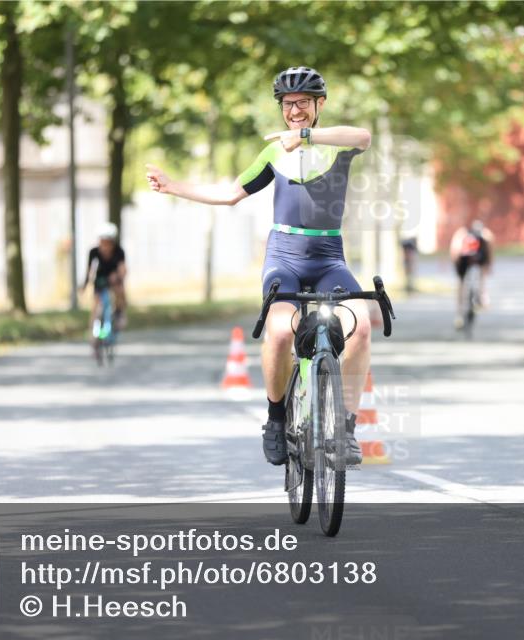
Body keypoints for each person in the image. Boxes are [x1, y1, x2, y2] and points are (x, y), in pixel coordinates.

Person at [146, 66, 372, 466]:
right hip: (284, 255)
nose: (295, 111)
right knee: (282, 332)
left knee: (362, 325)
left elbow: (363, 137)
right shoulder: (272, 154)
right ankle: (275, 418)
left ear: (320, 105)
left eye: (303, 103)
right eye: (288, 105)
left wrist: (304, 136)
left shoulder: (334, 144)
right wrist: (174, 186)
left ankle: (346, 429)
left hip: (329, 257)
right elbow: (231, 193)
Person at [449, 219, 494, 328]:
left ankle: (459, 314)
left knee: (461, 283)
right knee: (481, 276)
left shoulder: (461, 234)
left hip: (463, 260)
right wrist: (489, 265)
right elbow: (489, 252)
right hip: (476, 259)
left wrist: (456, 265)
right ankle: (483, 296)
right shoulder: (486, 235)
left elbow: (454, 251)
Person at [83, 222, 127, 330]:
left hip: (114, 278)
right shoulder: (93, 252)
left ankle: (119, 312)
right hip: (100, 279)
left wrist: (118, 277)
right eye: (102, 242)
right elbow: (90, 270)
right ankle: (93, 333)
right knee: (96, 304)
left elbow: (123, 269)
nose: (104, 246)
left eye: (107, 242)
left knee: (119, 290)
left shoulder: (119, 251)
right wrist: (85, 284)